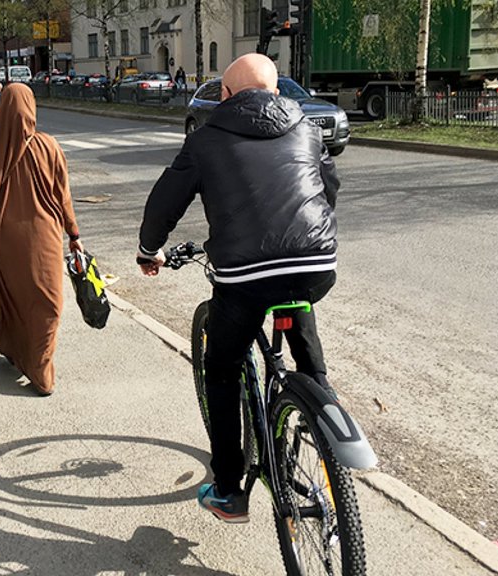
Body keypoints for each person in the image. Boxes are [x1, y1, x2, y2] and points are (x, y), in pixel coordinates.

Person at [136, 53, 340, 522]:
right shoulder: (307, 129)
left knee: (222, 369)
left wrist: (150, 250)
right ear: (276, 92)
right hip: (315, 264)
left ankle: (229, 490)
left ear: (225, 95)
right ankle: (320, 402)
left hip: (245, 277)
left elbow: (165, 202)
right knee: (295, 299)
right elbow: (328, 189)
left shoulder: (206, 139)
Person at [0, 84, 83, 396]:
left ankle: (17, 349)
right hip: (44, 237)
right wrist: (73, 234)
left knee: (15, 298)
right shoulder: (49, 145)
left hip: (3, 238)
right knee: (48, 303)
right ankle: (40, 370)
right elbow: (63, 195)